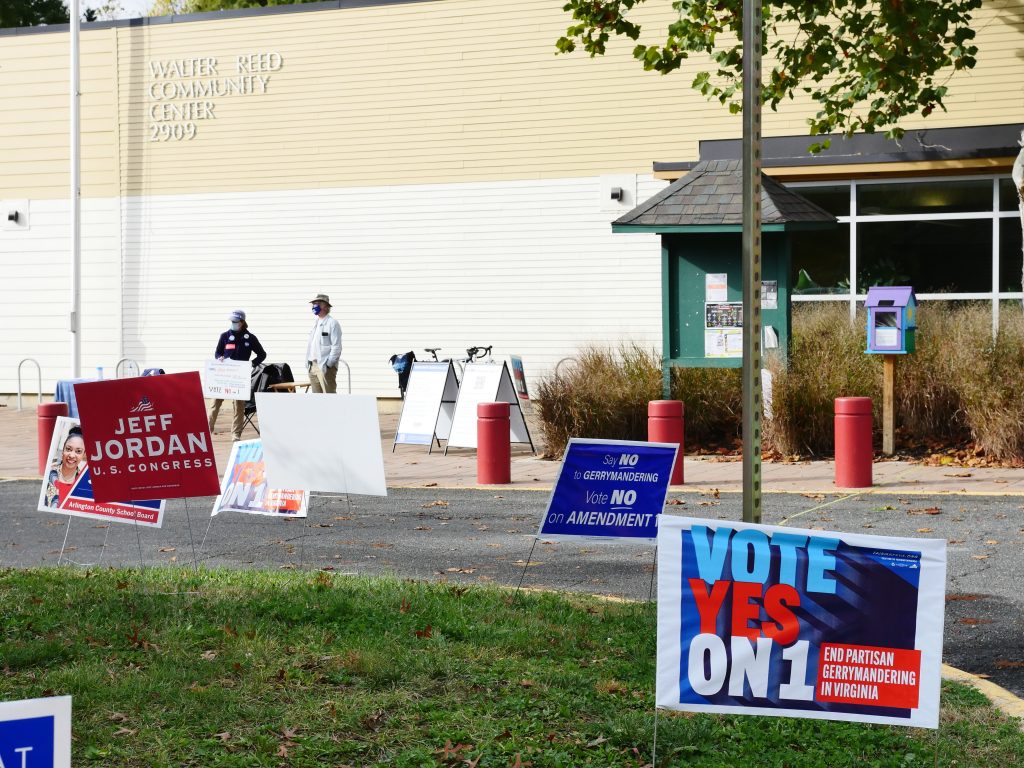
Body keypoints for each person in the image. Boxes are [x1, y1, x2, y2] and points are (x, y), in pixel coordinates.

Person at [209, 309, 267, 440]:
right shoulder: (224, 336)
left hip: (239, 378)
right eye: (232, 321)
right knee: (214, 404)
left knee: (239, 407)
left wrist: (252, 363)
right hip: (223, 376)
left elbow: (262, 354)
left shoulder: (250, 338)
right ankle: (208, 430)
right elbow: (217, 353)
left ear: (242, 322)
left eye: (235, 321)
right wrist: (220, 358)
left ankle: (236, 434)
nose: (233, 323)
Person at [306, 293, 342, 393]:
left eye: (318, 303)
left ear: (326, 306)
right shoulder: (316, 323)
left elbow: (336, 347)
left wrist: (328, 365)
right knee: (317, 400)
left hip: (325, 366)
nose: (314, 306)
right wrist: (309, 363)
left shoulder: (332, 323)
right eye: (314, 304)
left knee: (329, 397)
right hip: (313, 366)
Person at [46, 426, 87, 507]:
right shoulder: (50, 471)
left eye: (78, 451)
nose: (72, 455)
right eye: (68, 449)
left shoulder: (84, 479)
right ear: (64, 448)